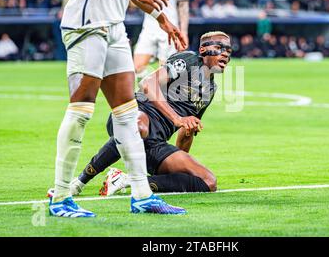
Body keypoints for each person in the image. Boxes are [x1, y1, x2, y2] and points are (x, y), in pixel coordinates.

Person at [50, 0, 187, 218]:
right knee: (81, 110)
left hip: (114, 26)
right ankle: (60, 197)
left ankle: (142, 196)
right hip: (87, 24)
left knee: (127, 113)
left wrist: (162, 19)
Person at [48, 31, 232, 197]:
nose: (225, 53)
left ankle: (125, 181)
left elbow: (186, 132)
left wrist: (175, 169)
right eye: (219, 47)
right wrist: (177, 118)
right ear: (202, 50)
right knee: (138, 127)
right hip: (135, 114)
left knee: (208, 181)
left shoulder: (210, 89)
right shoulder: (189, 60)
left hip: (156, 144)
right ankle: (78, 183)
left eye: (229, 50)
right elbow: (148, 83)